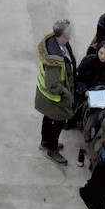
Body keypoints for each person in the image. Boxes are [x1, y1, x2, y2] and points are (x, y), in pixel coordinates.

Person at [34, 19, 75, 165]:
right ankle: (52, 149)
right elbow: (52, 84)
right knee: (58, 122)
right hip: (54, 98)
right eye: (69, 31)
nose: (71, 32)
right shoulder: (54, 60)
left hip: (46, 96)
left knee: (47, 118)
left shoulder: (53, 42)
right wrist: (66, 93)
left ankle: (45, 141)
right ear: (63, 35)